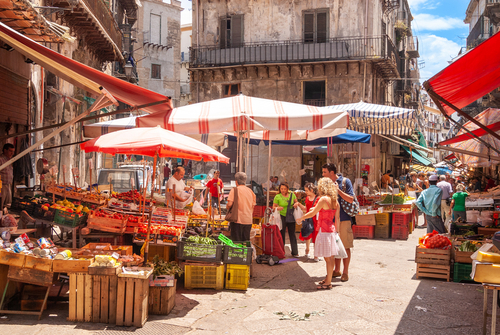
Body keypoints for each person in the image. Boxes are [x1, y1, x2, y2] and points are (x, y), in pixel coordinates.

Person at [296, 177, 341, 290]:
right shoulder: (335, 200)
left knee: (327, 258)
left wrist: (301, 218)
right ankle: (328, 279)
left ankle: (328, 282)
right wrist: (337, 233)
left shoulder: (323, 199)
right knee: (330, 258)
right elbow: (337, 219)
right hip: (331, 231)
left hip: (324, 231)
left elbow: (312, 213)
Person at [322, 163, 354, 282]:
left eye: (324, 172)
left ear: (331, 173)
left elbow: (350, 199)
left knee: (345, 246)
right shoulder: (325, 184)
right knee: (334, 247)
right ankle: (336, 270)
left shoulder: (345, 182)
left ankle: (345, 272)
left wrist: (338, 191)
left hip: (344, 219)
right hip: (331, 220)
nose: (323, 174)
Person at [227, 172, 256, 241]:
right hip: (248, 220)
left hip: (237, 220)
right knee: (245, 242)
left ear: (236, 181)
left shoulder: (234, 190)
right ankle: (246, 252)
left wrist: (227, 207)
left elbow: (229, 204)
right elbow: (253, 206)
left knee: (237, 243)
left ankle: (238, 252)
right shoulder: (250, 191)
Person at [294, 183, 319, 261]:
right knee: (307, 235)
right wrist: (298, 204)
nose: (305, 192)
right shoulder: (307, 198)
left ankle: (316, 254)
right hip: (308, 218)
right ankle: (307, 250)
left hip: (315, 219)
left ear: (311, 190)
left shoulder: (318, 198)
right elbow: (305, 208)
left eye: (306, 190)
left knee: (316, 236)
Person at [273, 182, 298, 257]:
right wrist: (277, 208)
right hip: (281, 217)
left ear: (287, 189)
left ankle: (295, 252)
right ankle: (281, 252)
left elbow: (296, 203)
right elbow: (273, 207)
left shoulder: (292, 195)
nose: (283, 190)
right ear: (279, 189)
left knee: (292, 234)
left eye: (284, 189)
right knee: (281, 234)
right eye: (281, 189)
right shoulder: (277, 196)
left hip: (291, 216)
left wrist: (296, 204)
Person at [0, 143, 14, 210]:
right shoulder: (1, 159)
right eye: (10, 151)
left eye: (13, 151)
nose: (12, 153)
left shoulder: (9, 160)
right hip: (2, 185)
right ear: (5, 150)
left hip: (8, 184)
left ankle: (6, 218)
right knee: (1, 204)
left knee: (8, 204)